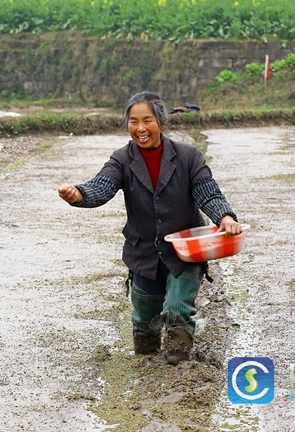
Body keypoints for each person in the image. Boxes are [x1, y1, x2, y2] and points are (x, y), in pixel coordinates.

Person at [57, 92, 242, 365]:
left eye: (147, 120)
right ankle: (146, 366)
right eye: (133, 121)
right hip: (143, 253)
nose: (140, 128)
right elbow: (102, 186)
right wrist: (79, 194)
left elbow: (208, 193)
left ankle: (180, 368)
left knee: (178, 310)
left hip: (185, 252)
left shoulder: (188, 157)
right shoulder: (121, 159)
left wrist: (224, 216)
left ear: (162, 123)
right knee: (144, 321)